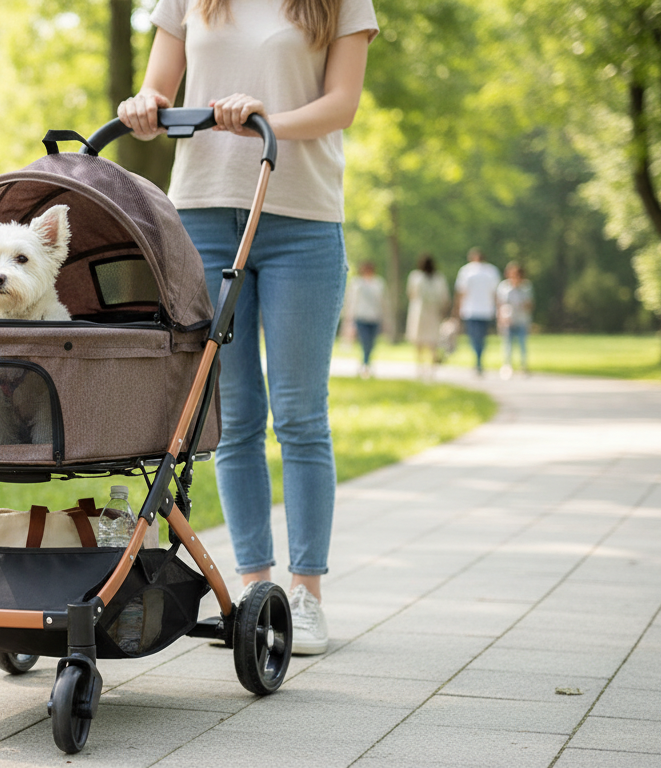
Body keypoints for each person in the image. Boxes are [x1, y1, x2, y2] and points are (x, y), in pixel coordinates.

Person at [119, 0, 378, 656]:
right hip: (202, 213)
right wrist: (145, 106)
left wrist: (267, 118)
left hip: (302, 219)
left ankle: (307, 595)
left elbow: (342, 104)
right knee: (231, 417)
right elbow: (161, 84)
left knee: (298, 414)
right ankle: (253, 590)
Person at [453, 247, 500, 376]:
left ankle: (477, 359)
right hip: (486, 309)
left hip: (470, 310)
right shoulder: (491, 271)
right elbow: (495, 293)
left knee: (474, 337)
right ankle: (479, 359)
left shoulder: (466, 271)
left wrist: (456, 310)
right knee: (482, 337)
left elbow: (461, 292)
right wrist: (498, 309)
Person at [406, 254, 449, 380]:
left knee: (420, 341)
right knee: (432, 341)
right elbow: (444, 298)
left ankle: (421, 367)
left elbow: (411, 294)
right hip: (432, 312)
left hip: (420, 312)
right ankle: (430, 369)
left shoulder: (416, 277)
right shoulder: (438, 278)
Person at [343, 261, 384, 377]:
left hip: (374, 318)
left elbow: (382, 302)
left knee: (371, 343)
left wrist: (384, 319)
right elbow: (351, 302)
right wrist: (349, 319)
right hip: (361, 317)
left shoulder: (378, 283)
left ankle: (366, 363)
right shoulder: (357, 283)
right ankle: (365, 365)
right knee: (365, 341)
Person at [497, 261, 533, 378]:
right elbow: (500, 304)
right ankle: (507, 365)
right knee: (507, 344)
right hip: (508, 320)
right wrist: (502, 317)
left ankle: (523, 366)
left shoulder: (526, 287)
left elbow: (530, 304)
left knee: (522, 343)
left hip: (522, 319)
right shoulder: (504, 287)